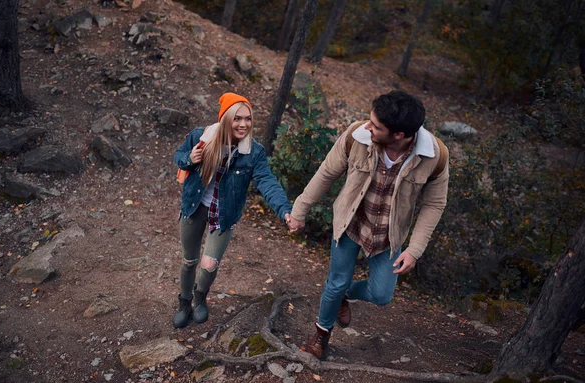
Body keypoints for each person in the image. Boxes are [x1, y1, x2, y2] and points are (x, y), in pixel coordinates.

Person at [287, 90, 449, 359]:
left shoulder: (435, 156)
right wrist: (300, 209)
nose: (367, 127)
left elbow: (434, 205)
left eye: (376, 126)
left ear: (399, 134)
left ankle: (344, 295)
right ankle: (320, 336)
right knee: (335, 282)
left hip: (388, 236)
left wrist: (415, 249)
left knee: (381, 294)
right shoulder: (357, 137)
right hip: (351, 224)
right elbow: (327, 173)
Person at [173, 92, 293, 328]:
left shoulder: (254, 152)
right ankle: (184, 302)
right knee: (189, 261)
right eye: (237, 118)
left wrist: (285, 210)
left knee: (209, 264)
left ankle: (199, 298)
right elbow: (179, 157)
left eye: (248, 118)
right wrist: (190, 157)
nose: (243, 124)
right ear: (226, 118)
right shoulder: (201, 136)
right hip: (194, 206)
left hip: (223, 213)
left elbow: (267, 182)